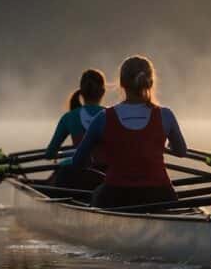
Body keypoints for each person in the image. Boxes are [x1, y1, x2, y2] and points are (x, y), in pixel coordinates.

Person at [67, 55, 187, 209]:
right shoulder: (166, 115)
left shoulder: (103, 118)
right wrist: (165, 146)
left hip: (116, 196)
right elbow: (181, 151)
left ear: (122, 84)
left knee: (97, 193)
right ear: (150, 83)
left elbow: (78, 161)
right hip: (160, 195)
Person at [44, 69, 106, 189]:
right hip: (105, 174)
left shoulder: (69, 117)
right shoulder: (112, 115)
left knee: (60, 172)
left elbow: (50, 154)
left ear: (81, 92)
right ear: (103, 92)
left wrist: (64, 154)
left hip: (77, 173)